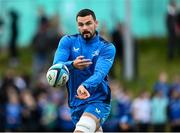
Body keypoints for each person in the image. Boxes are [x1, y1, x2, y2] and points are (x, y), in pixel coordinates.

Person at [52, 9, 116, 132]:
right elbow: (56, 66)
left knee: (81, 130)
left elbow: (100, 73)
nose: (85, 27)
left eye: (88, 23)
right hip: (75, 103)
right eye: (81, 25)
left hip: (98, 100)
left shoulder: (106, 47)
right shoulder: (67, 41)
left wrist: (85, 85)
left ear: (96, 23)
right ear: (77, 25)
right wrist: (72, 65)